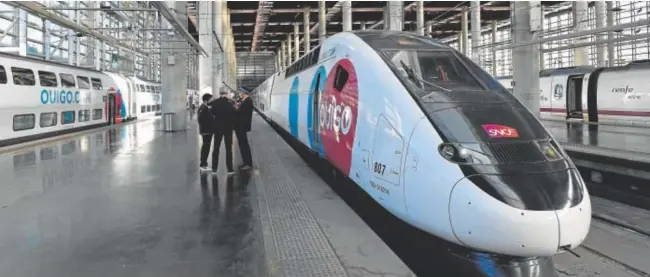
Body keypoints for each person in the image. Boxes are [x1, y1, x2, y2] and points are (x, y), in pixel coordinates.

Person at [209, 88, 237, 175]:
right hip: (228, 128)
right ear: (226, 93)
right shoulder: (231, 102)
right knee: (229, 149)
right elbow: (234, 114)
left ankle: (214, 168)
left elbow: (212, 112)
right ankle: (230, 169)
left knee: (216, 148)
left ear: (220, 93)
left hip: (217, 128)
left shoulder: (215, 102)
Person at [235, 90, 253, 170]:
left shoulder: (248, 102)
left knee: (244, 145)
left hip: (242, 126)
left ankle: (248, 164)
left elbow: (241, 113)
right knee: (243, 145)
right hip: (241, 126)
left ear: (244, 93)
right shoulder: (245, 101)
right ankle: (246, 162)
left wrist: (236, 109)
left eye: (241, 92)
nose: (240, 93)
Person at [197, 93, 214, 172]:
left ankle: (203, 163)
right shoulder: (204, 108)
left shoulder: (203, 107)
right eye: (211, 99)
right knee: (206, 147)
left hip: (205, 130)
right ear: (206, 100)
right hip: (206, 131)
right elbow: (201, 120)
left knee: (205, 147)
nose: (212, 101)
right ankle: (203, 164)